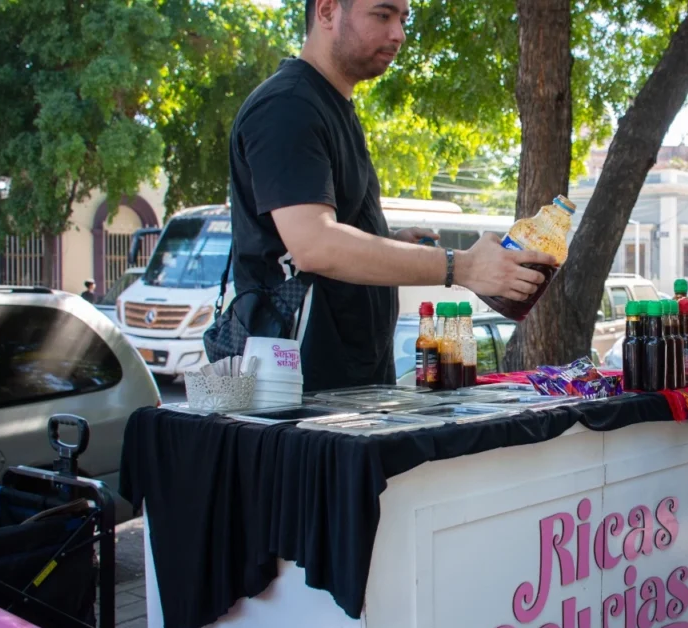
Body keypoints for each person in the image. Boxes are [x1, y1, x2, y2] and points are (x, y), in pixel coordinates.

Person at [227, 0, 554, 392]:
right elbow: (314, 246)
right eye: (382, 15)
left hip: (347, 389)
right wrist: (461, 266)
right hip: (299, 397)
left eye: (403, 18)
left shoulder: (332, 106)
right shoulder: (288, 106)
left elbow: (330, 239)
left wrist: (388, 245)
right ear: (328, 11)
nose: (398, 33)